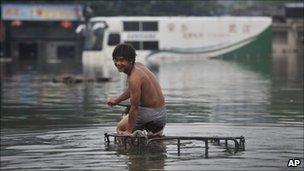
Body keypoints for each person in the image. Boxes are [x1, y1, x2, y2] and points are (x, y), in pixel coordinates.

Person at [106, 43, 166, 137]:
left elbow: (134, 108)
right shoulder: (139, 66)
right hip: (161, 113)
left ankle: (134, 137)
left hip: (150, 115)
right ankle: (143, 133)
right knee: (128, 108)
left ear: (130, 60)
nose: (118, 63)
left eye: (122, 60)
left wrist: (128, 132)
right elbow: (131, 90)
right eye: (116, 60)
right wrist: (117, 100)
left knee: (120, 128)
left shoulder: (134, 78)